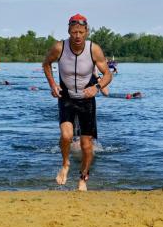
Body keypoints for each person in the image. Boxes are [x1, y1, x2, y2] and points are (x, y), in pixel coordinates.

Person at [42, 13, 112, 191]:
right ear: (69, 31)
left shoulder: (93, 49)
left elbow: (107, 75)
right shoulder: (59, 47)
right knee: (66, 136)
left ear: (86, 32)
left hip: (86, 100)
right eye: (74, 32)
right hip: (66, 98)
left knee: (86, 145)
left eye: (81, 32)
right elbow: (46, 64)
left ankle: (83, 178)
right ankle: (65, 164)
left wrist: (97, 87)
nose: (77, 36)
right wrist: (53, 85)